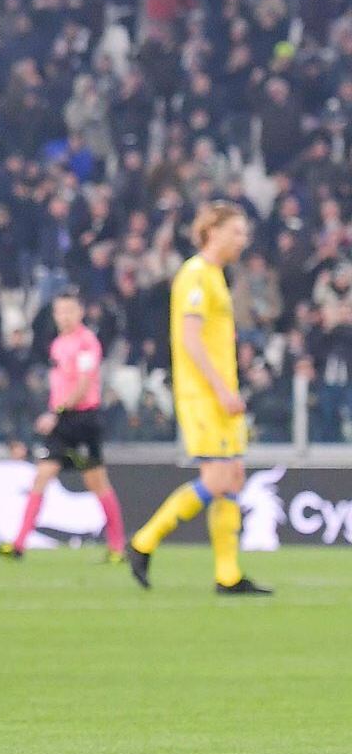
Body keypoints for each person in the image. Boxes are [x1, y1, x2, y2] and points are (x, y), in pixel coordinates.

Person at [126, 203, 272, 594]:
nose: (244, 240)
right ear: (213, 231)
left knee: (233, 477)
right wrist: (222, 389)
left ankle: (228, 575)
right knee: (218, 477)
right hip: (204, 395)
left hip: (221, 393)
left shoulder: (215, 276)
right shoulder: (194, 275)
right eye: (237, 232)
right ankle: (143, 542)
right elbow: (190, 340)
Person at [0, 288, 127, 561]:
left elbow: (84, 383)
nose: (64, 317)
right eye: (59, 312)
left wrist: (56, 411)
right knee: (41, 477)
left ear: (80, 312)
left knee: (97, 482)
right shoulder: (58, 344)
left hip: (84, 421)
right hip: (63, 421)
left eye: (69, 311)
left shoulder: (87, 342)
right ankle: (18, 545)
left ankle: (117, 547)